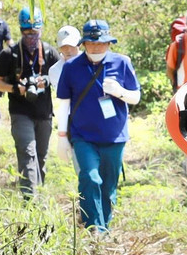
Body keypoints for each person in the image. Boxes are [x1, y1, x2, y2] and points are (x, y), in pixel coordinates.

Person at [55, 20, 140, 233]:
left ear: (109, 43)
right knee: (89, 177)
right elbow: (64, 103)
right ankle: (95, 229)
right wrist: (62, 136)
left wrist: (119, 91)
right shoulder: (72, 67)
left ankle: (104, 226)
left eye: (101, 42)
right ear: (83, 43)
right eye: (91, 42)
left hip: (114, 136)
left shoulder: (122, 63)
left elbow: (135, 96)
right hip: (83, 135)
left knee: (108, 186)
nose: (96, 46)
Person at [0, 9, 61, 199]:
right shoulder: (10, 54)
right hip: (20, 111)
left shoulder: (49, 53)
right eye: (27, 32)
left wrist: (46, 81)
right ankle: (30, 199)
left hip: (44, 112)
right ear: (21, 30)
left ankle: (40, 193)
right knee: (27, 152)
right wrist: (15, 89)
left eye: (35, 32)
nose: (31, 36)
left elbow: (62, 78)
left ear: (41, 29)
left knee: (41, 156)